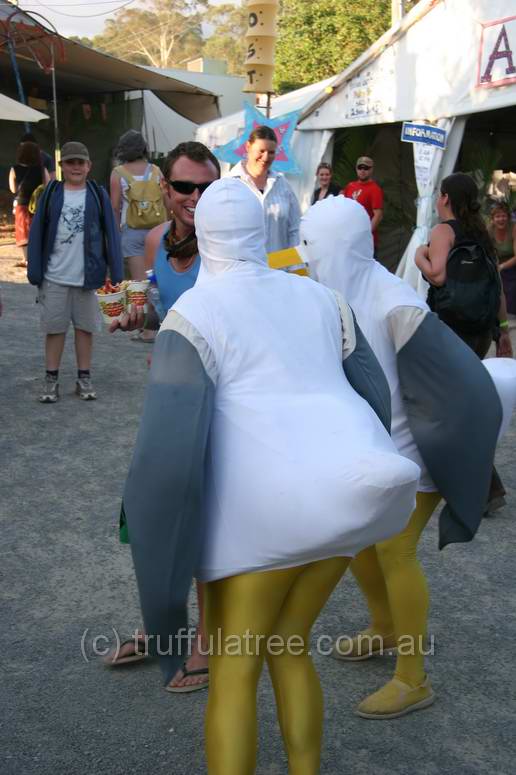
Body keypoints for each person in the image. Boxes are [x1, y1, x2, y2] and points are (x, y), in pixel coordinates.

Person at [123, 177, 420, 772]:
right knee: (291, 645)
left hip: (264, 510)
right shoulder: (320, 296)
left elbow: (166, 450)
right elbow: (371, 394)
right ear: (264, 234)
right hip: (348, 493)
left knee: (236, 663)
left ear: (201, 237)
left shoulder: (195, 310)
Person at [300, 195, 505, 720]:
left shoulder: (396, 302)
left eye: (312, 244)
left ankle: (413, 678)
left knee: (393, 549)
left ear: (338, 248)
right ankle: (385, 626)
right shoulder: (330, 289)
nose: (305, 254)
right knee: (361, 541)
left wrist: (456, 454)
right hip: (376, 447)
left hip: (415, 452)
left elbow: (464, 384)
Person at [105, 141, 220, 693]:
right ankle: (163, 625)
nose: (195, 197)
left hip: (219, 404)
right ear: (165, 188)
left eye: (207, 187)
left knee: (201, 519)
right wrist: (135, 317)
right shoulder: (153, 242)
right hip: (166, 394)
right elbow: (157, 306)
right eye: (184, 187)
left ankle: (202, 641)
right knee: (151, 513)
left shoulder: (229, 249)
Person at [415, 173, 511, 510]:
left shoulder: (444, 231)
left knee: (447, 410)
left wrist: (418, 256)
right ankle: (486, 489)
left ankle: (481, 489)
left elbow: (437, 274)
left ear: (444, 198)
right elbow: (496, 285)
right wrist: (503, 332)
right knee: (457, 407)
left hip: (450, 328)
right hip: (480, 330)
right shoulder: (481, 233)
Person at [27, 141, 122, 403]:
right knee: (55, 329)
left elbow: (111, 233)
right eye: (70, 162)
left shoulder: (97, 194)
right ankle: (51, 378)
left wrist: (116, 272)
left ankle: (84, 376)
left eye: (81, 162)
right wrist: (35, 271)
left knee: (85, 329)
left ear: (89, 166)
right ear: (61, 166)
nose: (76, 167)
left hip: (88, 278)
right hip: (54, 276)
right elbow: (36, 234)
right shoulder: (50, 194)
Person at [228, 124, 301, 252]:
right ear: (248, 147)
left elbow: (295, 229)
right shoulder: (229, 184)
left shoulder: (283, 185)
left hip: (278, 269)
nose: (266, 157)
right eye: (261, 151)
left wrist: (293, 266)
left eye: (271, 152)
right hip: (242, 269)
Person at [110, 130, 165, 282]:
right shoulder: (156, 171)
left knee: (140, 284)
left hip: (132, 232)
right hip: (157, 230)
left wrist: (116, 234)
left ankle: (143, 305)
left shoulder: (118, 173)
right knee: (158, 280)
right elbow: (165, 199)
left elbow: (115, 207)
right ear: (144, 148)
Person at [9, 140, 50, 267]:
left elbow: (13, 189)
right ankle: (39, 257)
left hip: (22, 204)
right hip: (38, 204)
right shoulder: (42, 169)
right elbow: (48, 185)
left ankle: (26, 259)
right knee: (38, 231)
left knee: (23, 233)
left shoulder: (14, 169)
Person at [342, 156, 383, 250]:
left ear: (371, 169)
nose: (362, 170)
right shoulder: (350, 186)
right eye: (360, 167)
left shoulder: (375, 189)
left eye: (366, 168)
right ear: (356, 169)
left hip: (365, 242)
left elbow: (378, 215)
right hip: (349, 239)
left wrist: (365, 233)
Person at [488, 201, 516, 316]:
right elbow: (486, 252)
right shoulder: (489, 230)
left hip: (512, 263)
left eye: (503, 216)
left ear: (508, 217)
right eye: (497, 216)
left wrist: (502, 266)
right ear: (493, 219)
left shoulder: (514, 228)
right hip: (496, 263)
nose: (501, 219)